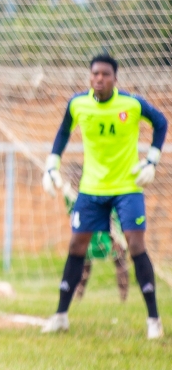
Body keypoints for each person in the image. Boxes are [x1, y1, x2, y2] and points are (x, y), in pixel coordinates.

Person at [41, 53, 167, 338]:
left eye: (105, 74)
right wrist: (51, 165)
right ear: (90, 76)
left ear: (114, 78)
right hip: (91, 189)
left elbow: (160, 123)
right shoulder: (78, 104)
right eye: (95, 74)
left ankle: (153, 321)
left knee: (135, 244)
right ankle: (61, 315)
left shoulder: (131, 104)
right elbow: (63, 133)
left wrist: (152, 160)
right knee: (76, 245)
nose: (99, 79)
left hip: (126, 188)